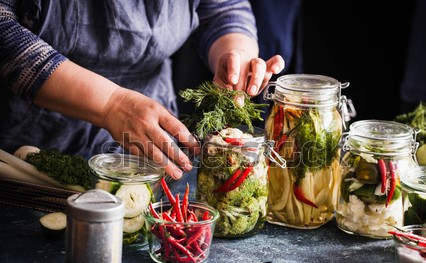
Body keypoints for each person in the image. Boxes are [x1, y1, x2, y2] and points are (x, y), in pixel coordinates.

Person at [0, 0, 285, 180]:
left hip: (149, 151)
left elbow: (223, 8)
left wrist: (236, 54)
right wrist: (111, 103)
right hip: (30, 147)